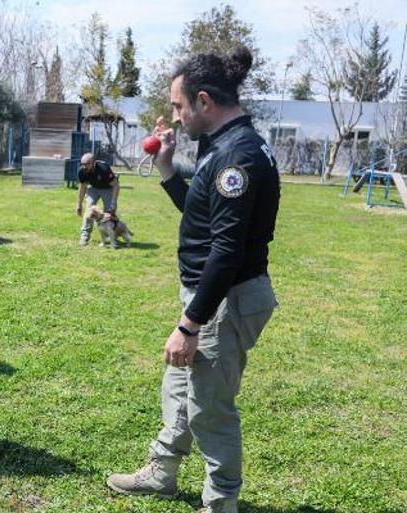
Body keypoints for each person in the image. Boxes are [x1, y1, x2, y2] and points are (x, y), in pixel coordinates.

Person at [106, 47, 280, 513]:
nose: (175, 117)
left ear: (204, 101)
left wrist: (190, 324)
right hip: (213, 295)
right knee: (179, 389)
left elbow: (226, 251)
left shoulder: (236, 158)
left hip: (228, 299)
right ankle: (162, 471)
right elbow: (202, 217)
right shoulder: (220, 144)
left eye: (179, 106)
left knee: (209, 407)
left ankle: (221, 502)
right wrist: (166, 169)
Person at [75, 152, 120, 246]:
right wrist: (79, 204)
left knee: (110, 211)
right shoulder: (82, 171)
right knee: (89, 210)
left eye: (87, 164)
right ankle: (84, 236)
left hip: (108, 188)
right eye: (82, 164)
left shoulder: (104, 168)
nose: (84, 166)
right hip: (93, 188)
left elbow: (115, 185)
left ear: (93, 163)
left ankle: (111, 235)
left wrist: (114, 202)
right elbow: (82, 187)